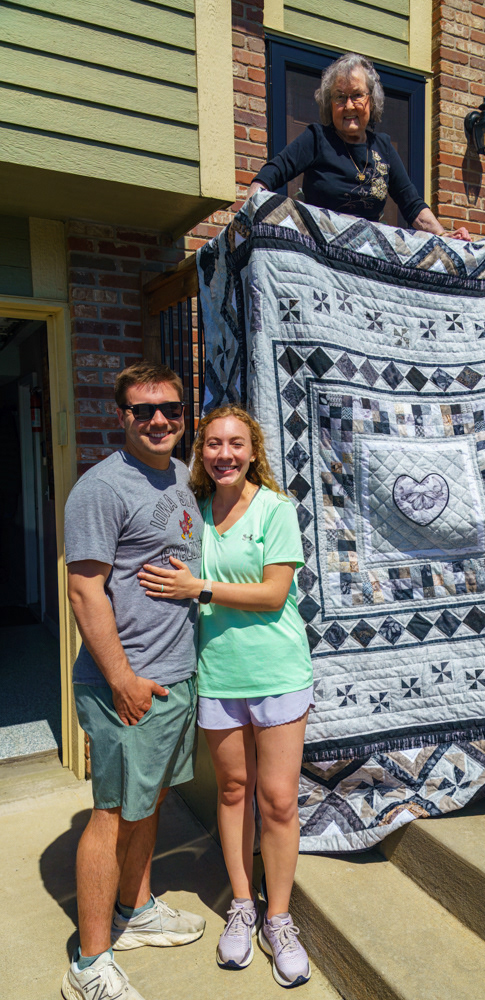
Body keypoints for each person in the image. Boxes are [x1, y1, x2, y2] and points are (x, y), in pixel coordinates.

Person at [137, 405, 314, 989]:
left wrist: (200, 587)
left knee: (279, 800)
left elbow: (272, 593)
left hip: (278, 673)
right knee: (234, 790)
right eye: (214, 444)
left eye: (236, 444)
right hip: (217, 674)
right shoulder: (193, 513)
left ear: (253, 450)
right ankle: (243, 904)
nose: (224, 455)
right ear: (201, 452)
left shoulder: (276, 509)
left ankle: (279, 919)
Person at [62, 362, 207, 1000]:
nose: (158, 421)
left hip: (173, 677)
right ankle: (90, 964)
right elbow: (82, 587)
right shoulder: (101, 488)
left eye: (170, 410)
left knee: (149, 802)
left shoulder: (181, 475)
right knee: (113, 813)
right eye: (143, 410)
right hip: (125, 684)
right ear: (121, 415)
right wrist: (121, 677)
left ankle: (136, 907)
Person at [249, 51, 470, 241]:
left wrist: (442, 237)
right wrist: (250, 209)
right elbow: (271, 173)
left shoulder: (383, 147)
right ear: (329, 103)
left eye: (357, 95)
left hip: (366, 257)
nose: (348, 106)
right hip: (321, 251)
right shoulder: (317, 138)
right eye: (339, 97)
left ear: (371, 101)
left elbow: (412, 205)